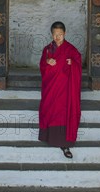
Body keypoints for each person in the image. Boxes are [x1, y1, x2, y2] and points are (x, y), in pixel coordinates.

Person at [38, 21, 82, 158]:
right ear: (51, 34)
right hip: (51, 88)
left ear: (65, 34)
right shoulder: (48, 49)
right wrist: (46, 63)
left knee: (62, 113)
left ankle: (65, 144)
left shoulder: (71, 49)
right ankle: (49, 137)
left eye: (60, 35)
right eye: (55, 35)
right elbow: (42, 65)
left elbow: (78, 64)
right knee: (49, 109)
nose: (57, 37)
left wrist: (72, 64)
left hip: (65, 89)